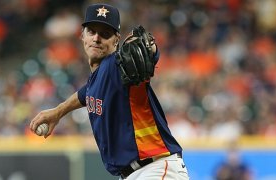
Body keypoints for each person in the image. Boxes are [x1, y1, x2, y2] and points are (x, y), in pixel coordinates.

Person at [30, 3, 189, 180]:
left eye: (105, 34)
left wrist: (147, 48)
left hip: (155, 168)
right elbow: (85, 94)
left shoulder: (116, 65)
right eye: (92, 32)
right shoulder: (96, 80)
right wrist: (58, 112)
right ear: (82, 36)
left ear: (116, 40)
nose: (97, 38)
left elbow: (145, 51)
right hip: (134, 174)